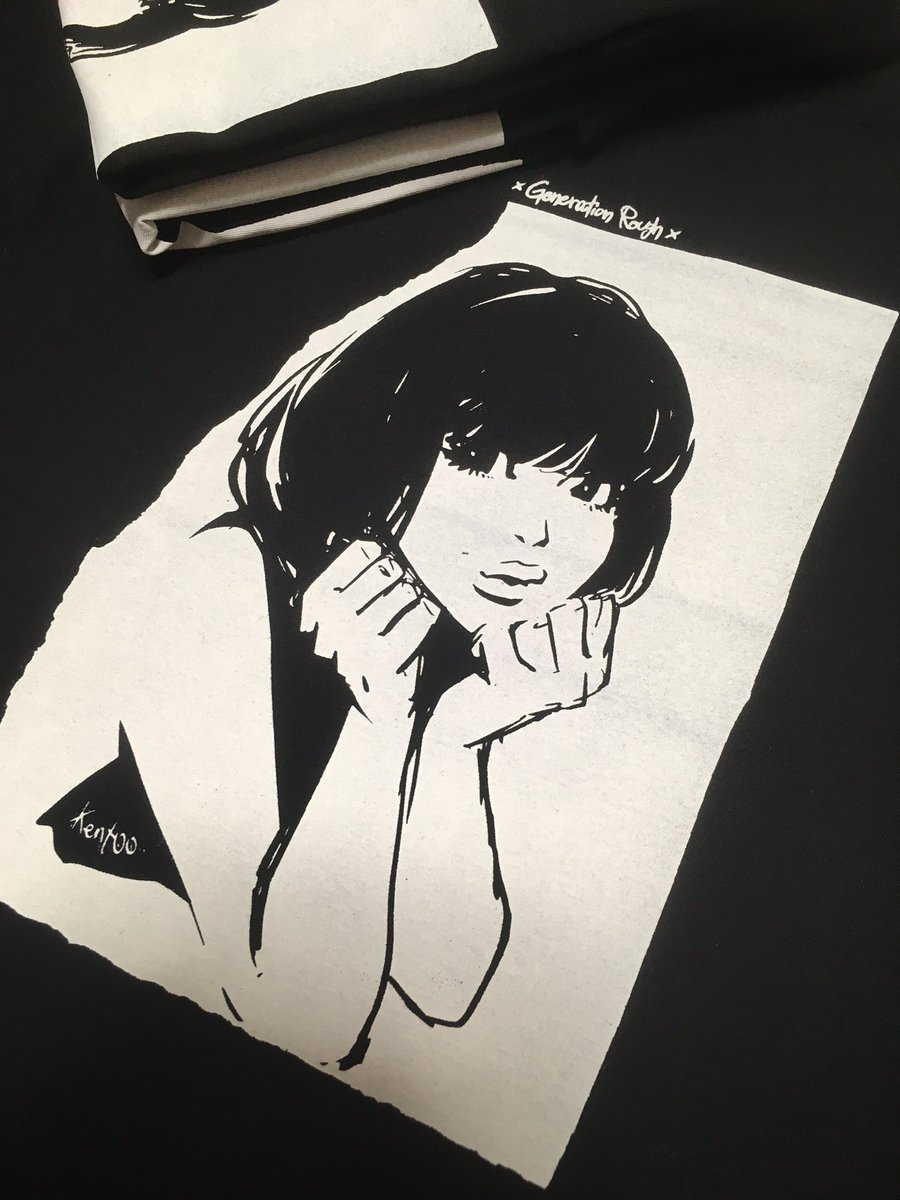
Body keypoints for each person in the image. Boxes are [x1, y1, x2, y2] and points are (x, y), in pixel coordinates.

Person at [204, 262, 695, 1067]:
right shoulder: (224, 576)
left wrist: (455, 737)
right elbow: (300, 1020)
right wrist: (379, 725)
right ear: (380, 433)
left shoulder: (437, 632)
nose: (536, 535)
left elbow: (444, 985)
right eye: (479, 461)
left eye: (589, 492)